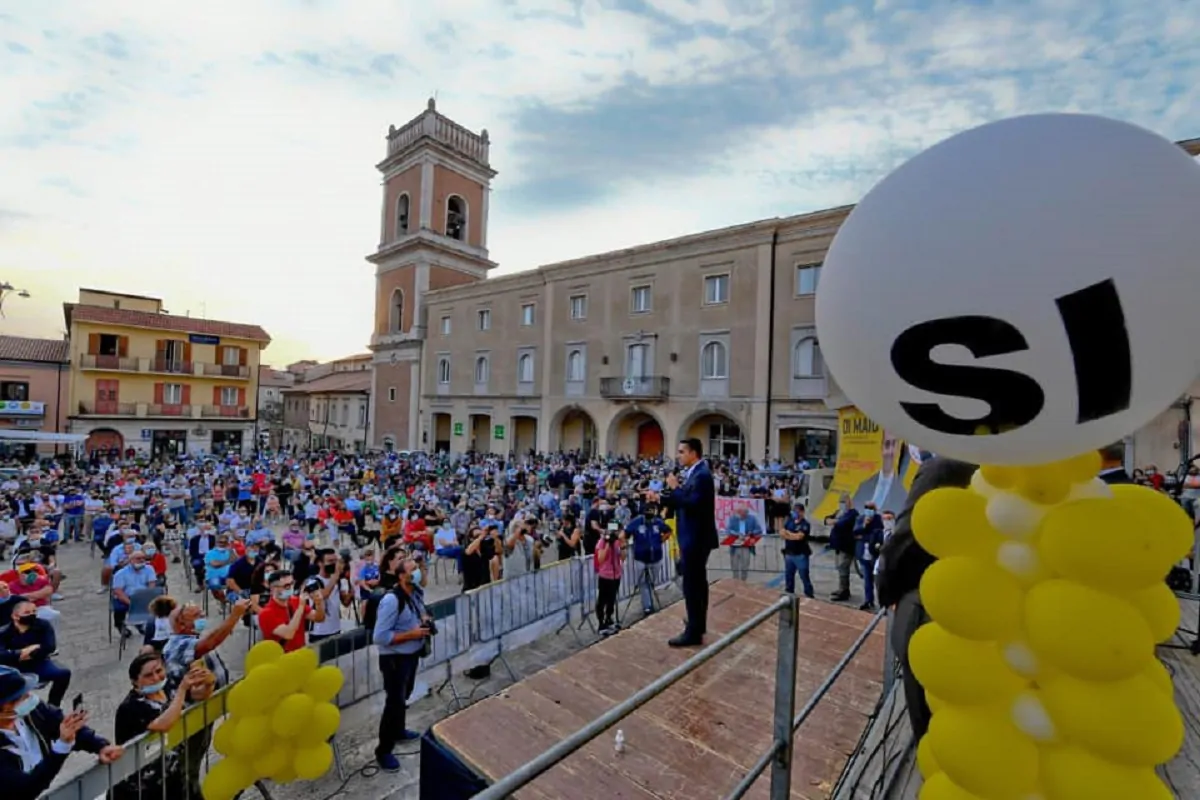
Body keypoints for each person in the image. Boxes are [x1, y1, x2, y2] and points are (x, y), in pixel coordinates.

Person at [877, 457, 977, 741]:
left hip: (936, 610)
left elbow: (908, 539)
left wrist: (887, 591)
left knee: (934, 731)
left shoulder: (948, 467)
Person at [0, 664, 124, 799]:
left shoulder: (32, 710)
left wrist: (100, 746)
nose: (29, 698)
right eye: (19, 698)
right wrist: (61, 747)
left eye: (27, 692)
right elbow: (26, 789)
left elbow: (61, 723)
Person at [113, 653, 213, 800]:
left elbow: (197, 695)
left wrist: (208, 682)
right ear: (135, 682)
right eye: (148, 676)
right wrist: (182, 689)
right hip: (143, 785)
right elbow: (164, 723)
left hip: (173, 773)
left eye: (159, 671)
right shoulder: (131, 706)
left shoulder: (167, 686)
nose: (156, 678)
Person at [648, 438, 718, 647]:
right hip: (693, 537)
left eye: (681, 452)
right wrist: (660, 498)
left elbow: (692, 503)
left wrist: (674, 487)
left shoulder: (702, 475)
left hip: (695, 538)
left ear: (693, 453)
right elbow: (683, 500)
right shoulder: (696, 474)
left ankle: (694, 632)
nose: (678, 456)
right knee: (697, 583)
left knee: (692, 584)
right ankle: (697, 623)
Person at [371, 555, 432, 773]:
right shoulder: (391, 600)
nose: (416, 571)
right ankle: (384, 750)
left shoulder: (414, 592)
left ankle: (399, 730)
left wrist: (423, 621)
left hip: (411, 655)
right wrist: (411, 634)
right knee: (394, 702)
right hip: (394, 659)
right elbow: (380, 636)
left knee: (404, 695)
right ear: (400, 575)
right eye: (412, 569)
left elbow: (420, 612)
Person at [0, 599, 70, 706]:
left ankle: (53, 705)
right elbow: (2, 655)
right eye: (27, 613)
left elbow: (49, 647)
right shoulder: (4, 633)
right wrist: (21, 653)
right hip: (14, 667)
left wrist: (30, 654)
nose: (32, 615)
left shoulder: (43, 625)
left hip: (38, 662)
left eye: (34, 612)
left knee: (63, 673)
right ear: (15, 616)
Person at [257, 569, 325, 652]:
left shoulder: (296, 601)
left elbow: (319, 618)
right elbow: (289, 634)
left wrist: (319, 603)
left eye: (292, 583)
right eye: (286, 586)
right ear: (273, 588)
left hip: (300, 654)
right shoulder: (266, 614)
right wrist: (300, 607)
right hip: (281, 658)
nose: (290, 588)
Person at [624, 502, 671, 614]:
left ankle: (648, 601)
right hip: (640, 558)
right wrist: (624, 546)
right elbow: (625, 533)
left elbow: (668, 531)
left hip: (656, 558)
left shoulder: (658, 522)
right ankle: (648, 606)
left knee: (650, 582)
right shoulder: (636, 521)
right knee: (643, 583)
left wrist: (661, 540)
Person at [824, 493, 859, 602]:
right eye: (840, 502)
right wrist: (832, 520)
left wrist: (834, 521)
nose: (842, 504)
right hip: (838, 546)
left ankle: (844, 591)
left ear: (849, 502)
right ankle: (841, 588)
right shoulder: (840, 512)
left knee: (844, 568)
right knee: (840, 568)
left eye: (844, 502)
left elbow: (842, 523)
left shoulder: (852, 514)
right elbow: (827, 519)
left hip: (846, 546)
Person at [781, 502, 813, 598]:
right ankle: (789, 594)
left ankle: (809, 594)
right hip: (789, 554)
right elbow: (782, 532)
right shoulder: (789, 521)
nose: (796, 513)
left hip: (801, 555)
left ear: (802, 512)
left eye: (798, 511)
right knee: (789, 576)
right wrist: (790, 535)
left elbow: (799, 537)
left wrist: (788, 535)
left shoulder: (805, 524)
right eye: (794, 511)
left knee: (804, 576)